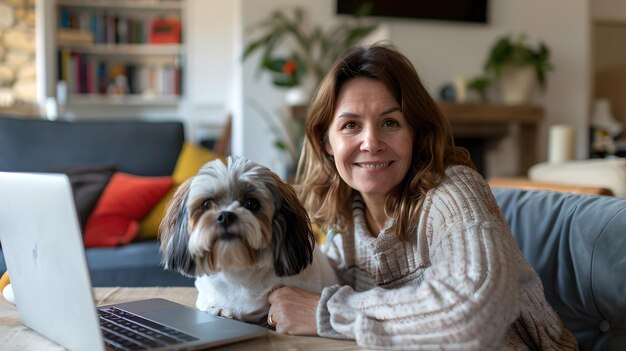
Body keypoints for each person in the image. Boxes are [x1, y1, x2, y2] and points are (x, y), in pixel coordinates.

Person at [266, 43, 578, 350]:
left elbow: (472, 314)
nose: (371, 143)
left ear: (415, 133)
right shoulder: (343, 223)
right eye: (351, 125)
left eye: (390, 122)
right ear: (326, 143)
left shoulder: (453, 193)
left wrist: (326, 313)